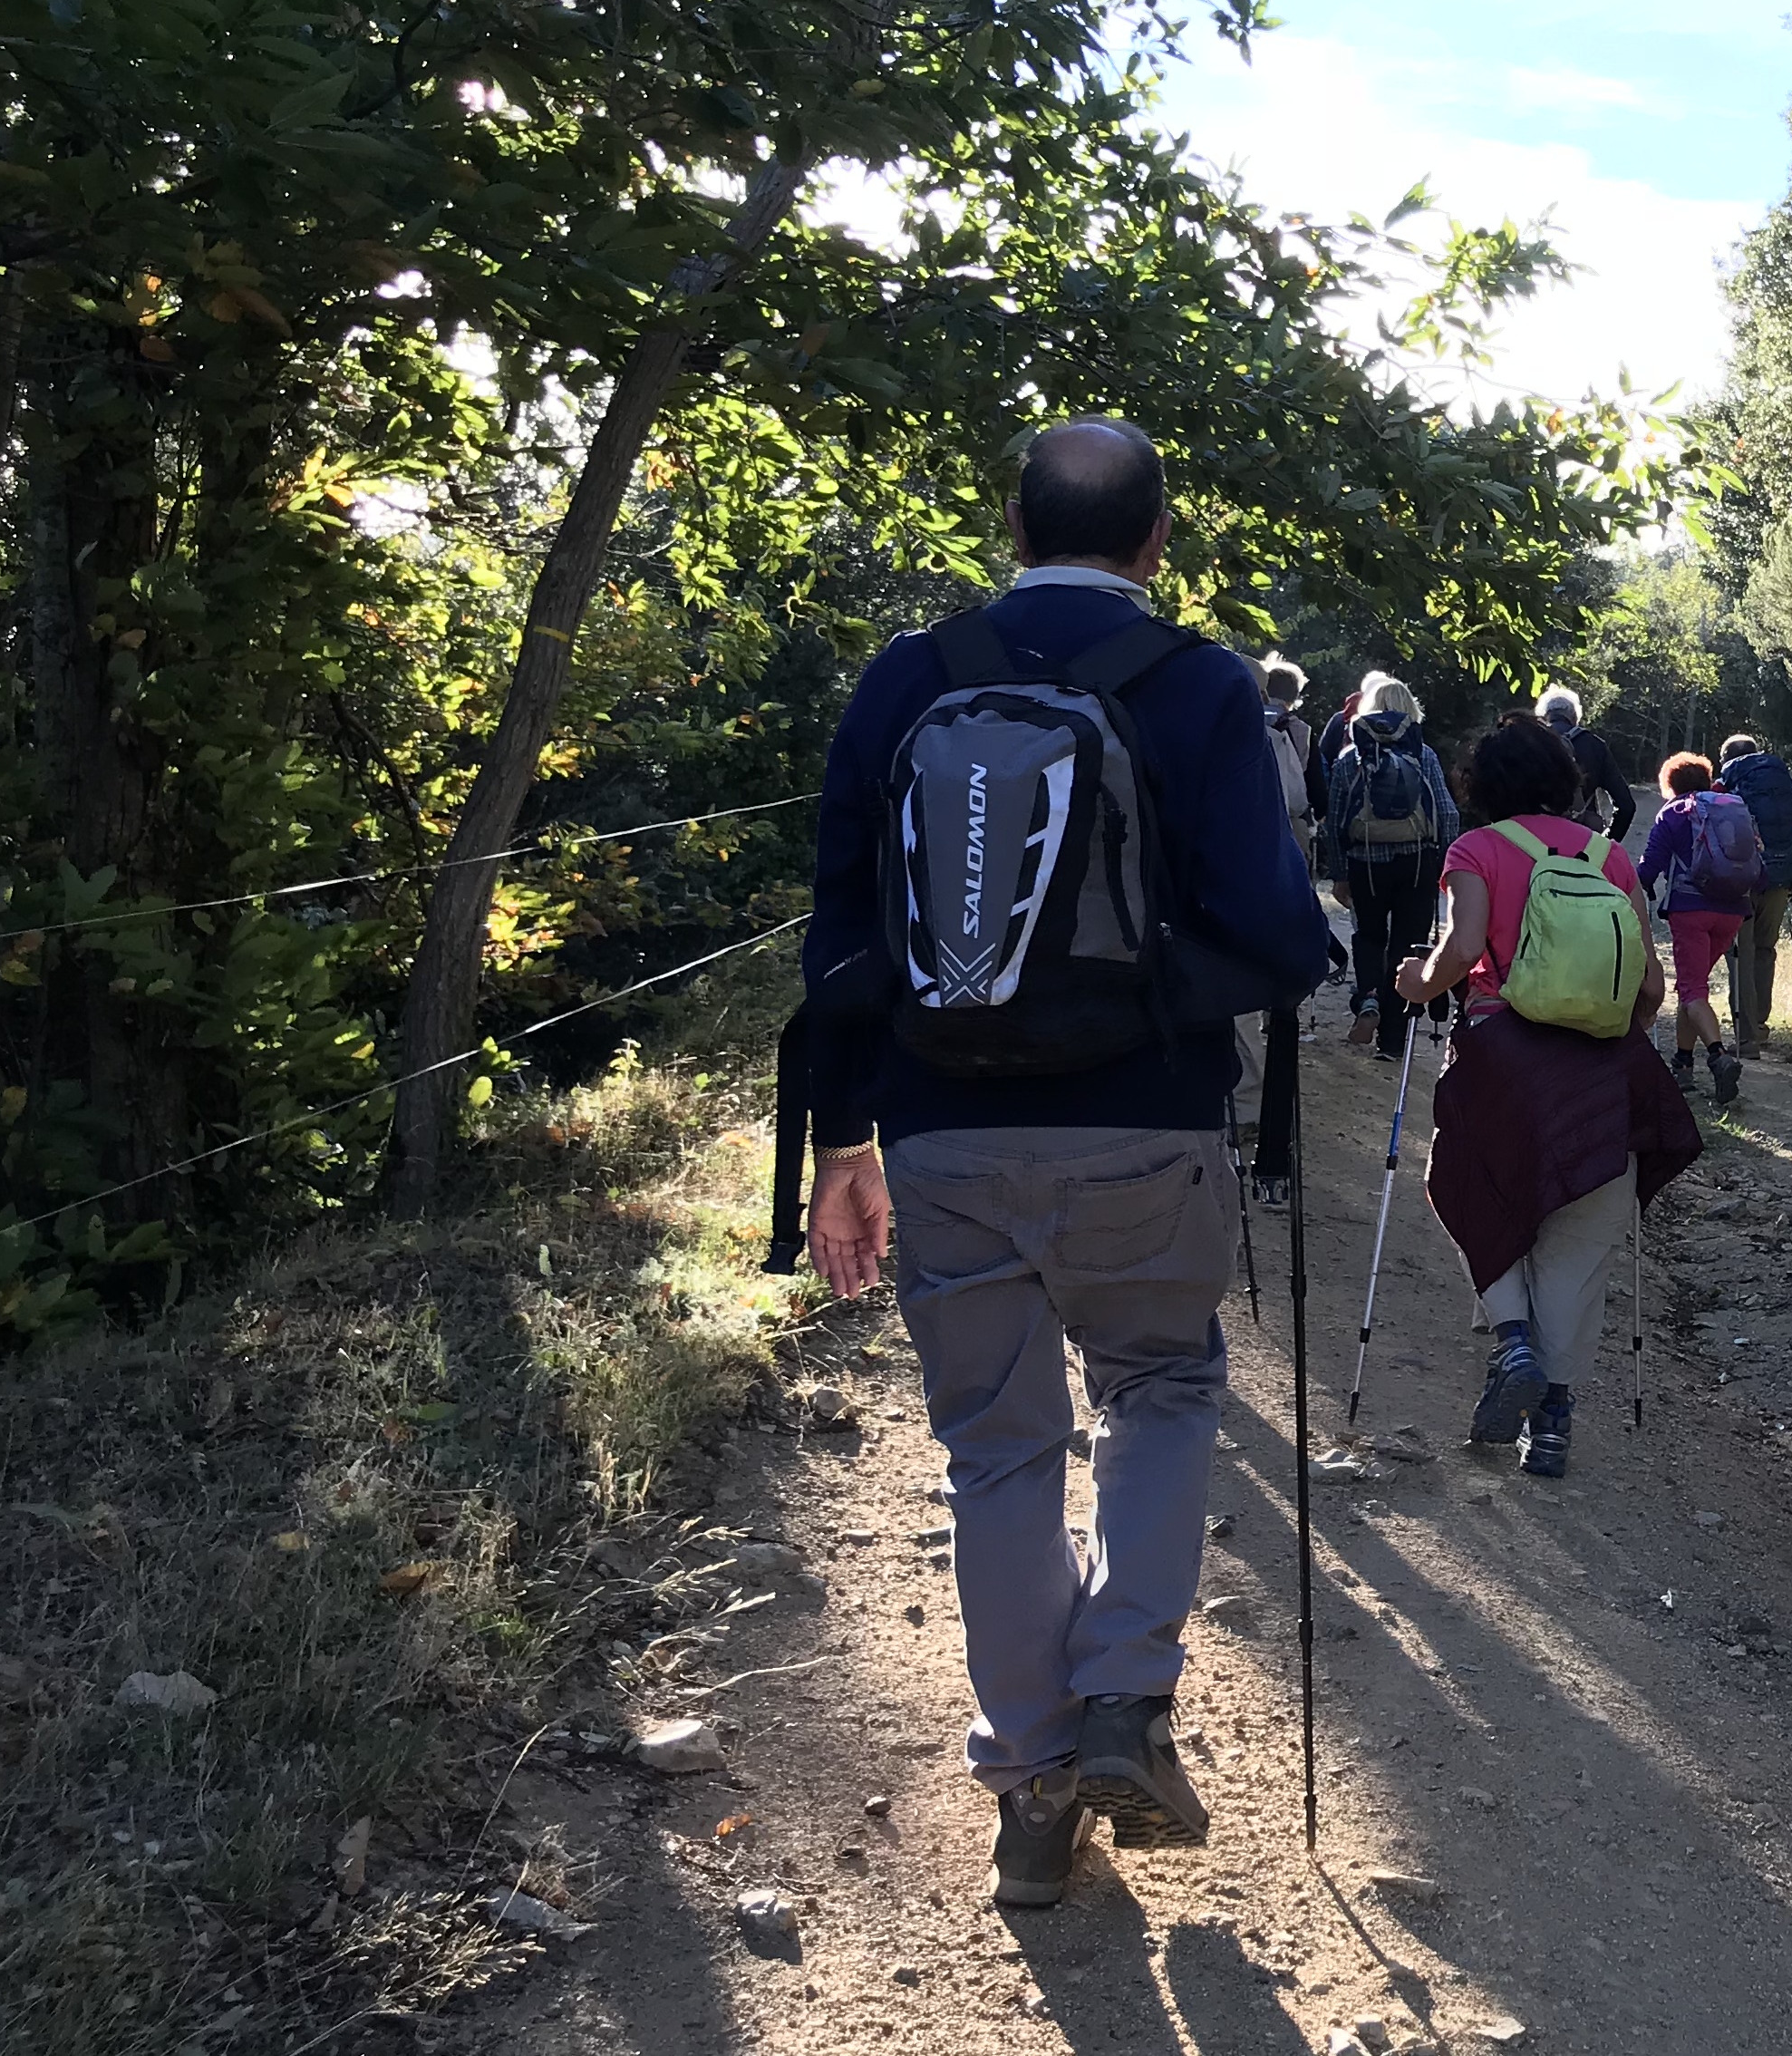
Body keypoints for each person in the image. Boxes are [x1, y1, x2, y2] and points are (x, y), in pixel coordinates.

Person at [798, 418, 1329, 1907]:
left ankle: (1031, 1788)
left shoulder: (908, 677)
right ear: (1158, 542)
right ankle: (1122, 1699)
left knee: (997, 1447)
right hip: (1145, 1126)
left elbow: (841, 941)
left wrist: (847, 1140)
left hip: (940, 1126)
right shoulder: (1205, 686)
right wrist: (1147, 995)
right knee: (1158, 1385)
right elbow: (1284, 944)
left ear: (1010, 526)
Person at [1393, 717, 1698, 1479]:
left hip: (1501, 1059)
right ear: (1569, 780)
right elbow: (1652, 985)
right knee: (1580, 1244)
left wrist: (1414, 985)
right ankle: (1553, 1424)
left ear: (1481, 785)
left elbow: (1462, 952)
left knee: (1470, 1189)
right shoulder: (1610, 859)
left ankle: (1513, 1343)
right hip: (1600, 1069)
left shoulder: (1476, 851)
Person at [1321, 673, 1458, 1061]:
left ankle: (1368, 1001)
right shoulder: (1424, 755)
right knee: (1406, 946)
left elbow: (1334, 820)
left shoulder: (1352, 756)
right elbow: (1447, 814)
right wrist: (1444, 863)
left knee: (1368, 936)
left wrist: (1340, 872)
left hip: (1366, 861)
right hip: (1417, 862)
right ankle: (1393, 1042)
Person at [1638, 751, 1763, 1104]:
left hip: (1691, 909)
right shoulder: (1732, 809)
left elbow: (1650, 867)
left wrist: (1635, 887)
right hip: (1734, 910)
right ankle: (1683, 1063)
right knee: (1692, 988)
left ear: (1670, 784)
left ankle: (1718, 1056)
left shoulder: (1674, 812)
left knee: (1693, 991)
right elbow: (1757, 862)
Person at [1713, 732, 1792, 1055]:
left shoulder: (1722, 787)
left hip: (1740, 883)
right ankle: (1760, 1027)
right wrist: (1791, 881)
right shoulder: (1778, 786)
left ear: (1725, 759)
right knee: (1764, 951)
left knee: (1740, 955)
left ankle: (1746, 1040)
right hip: (1780, 879)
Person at [1257, 653, 1351, 989]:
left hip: (1243, 825)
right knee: (1293, 907)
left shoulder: (1237, 718)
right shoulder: (1299, 731)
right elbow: (1315, 794)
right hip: (1289, 826)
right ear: (1295, 696)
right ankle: (1285, 989)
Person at [1537, 686, 1635, 843]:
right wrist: (1607, 843)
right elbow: (1626, 806)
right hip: (1584, 842)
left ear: (1544, 716)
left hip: (1535, 843)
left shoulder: (1528, 743)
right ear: (1574, 716)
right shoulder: (1595, 745)